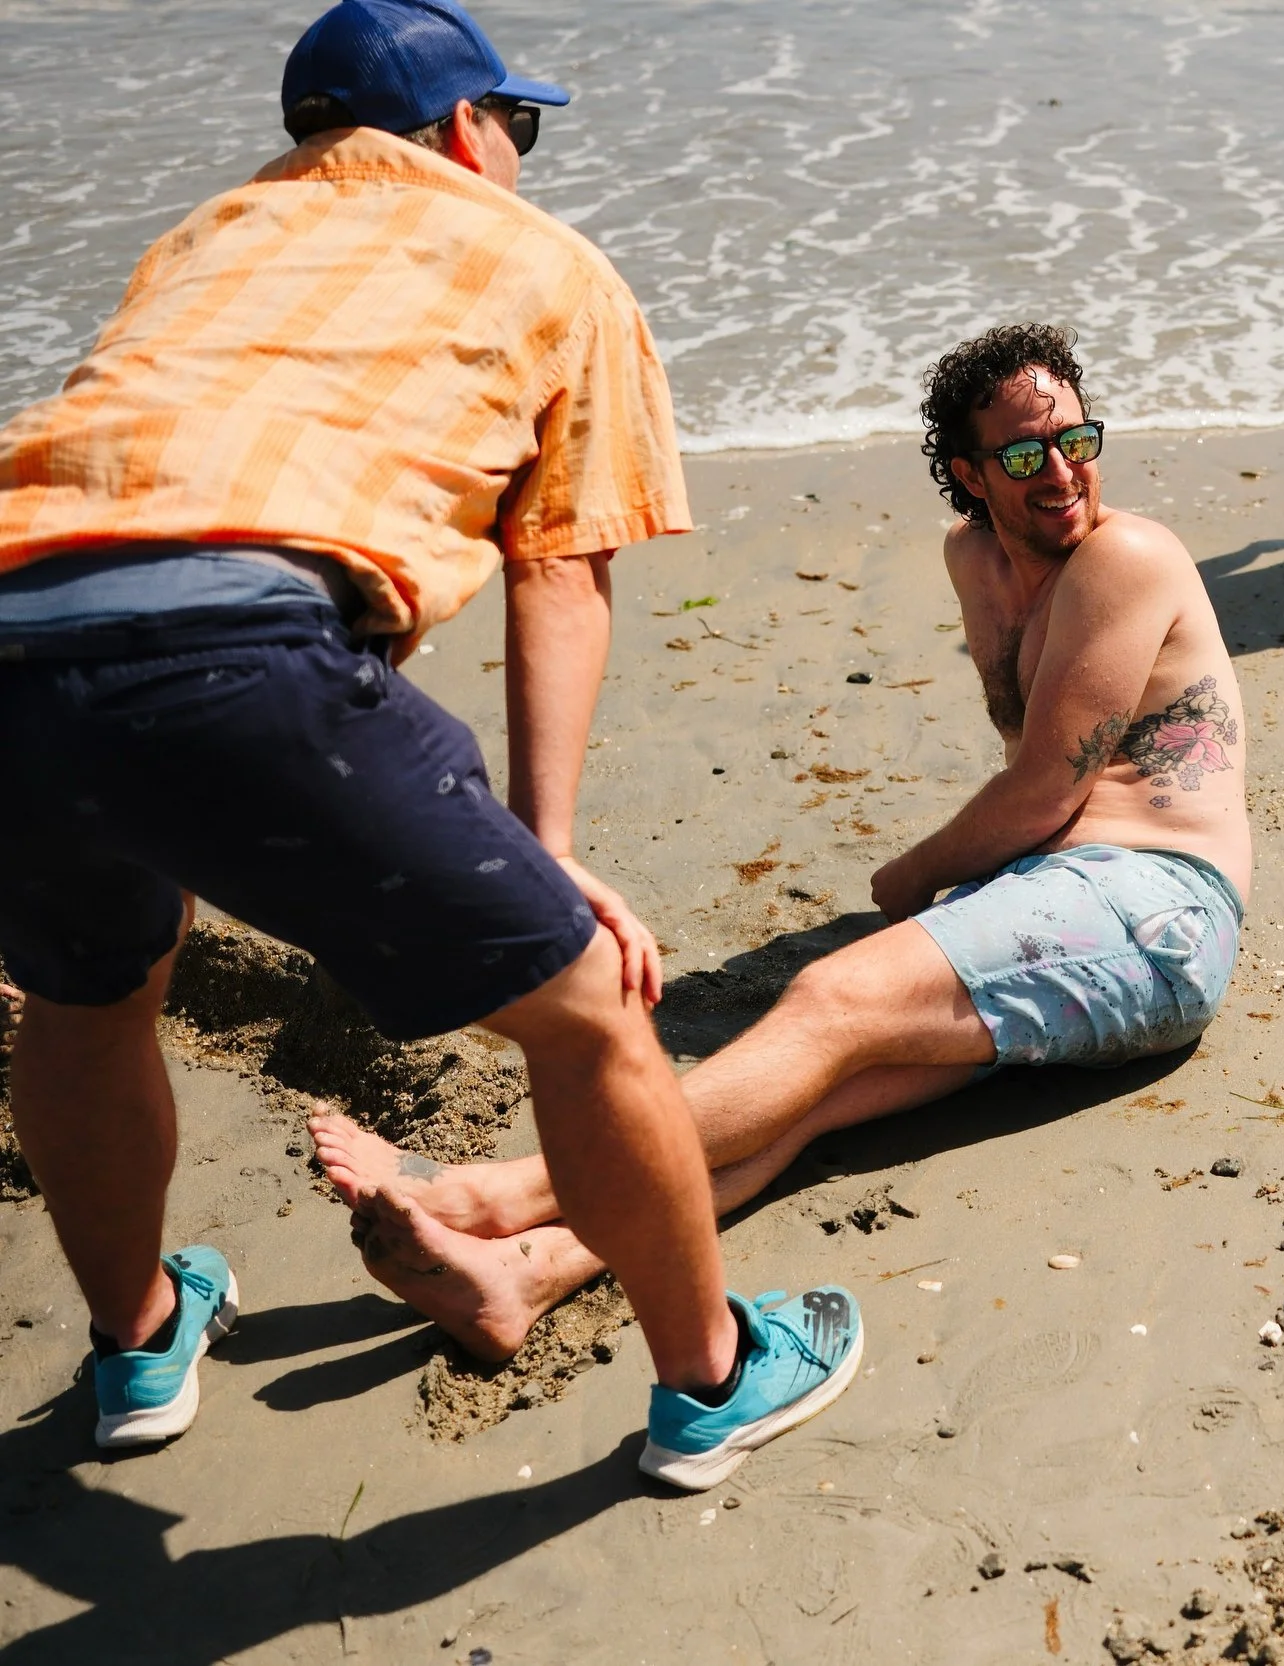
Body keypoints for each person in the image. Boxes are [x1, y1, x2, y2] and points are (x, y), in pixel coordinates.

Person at [0, 0, 858, 1490]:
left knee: (90, 994)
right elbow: (561, 567)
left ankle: (140, 1347)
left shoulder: (204, 238)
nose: (517, 157)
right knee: (589, 1011)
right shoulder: (545, 261)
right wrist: (553, 851)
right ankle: (712, 1378)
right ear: (469, 132)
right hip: (235, 646)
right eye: (516, 127)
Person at [307, 323, 1253, 1360]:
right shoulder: (974, 558)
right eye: (1024, 455)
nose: (1062, 471)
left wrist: (916, 874)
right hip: (1060, 896)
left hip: (1153, 909)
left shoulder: (1126, 555)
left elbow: (1043, 784)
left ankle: (491, 1195)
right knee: (812, 1094)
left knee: (827, 1003)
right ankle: (530, 1273)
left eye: (1078, 440)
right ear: (969, 475)